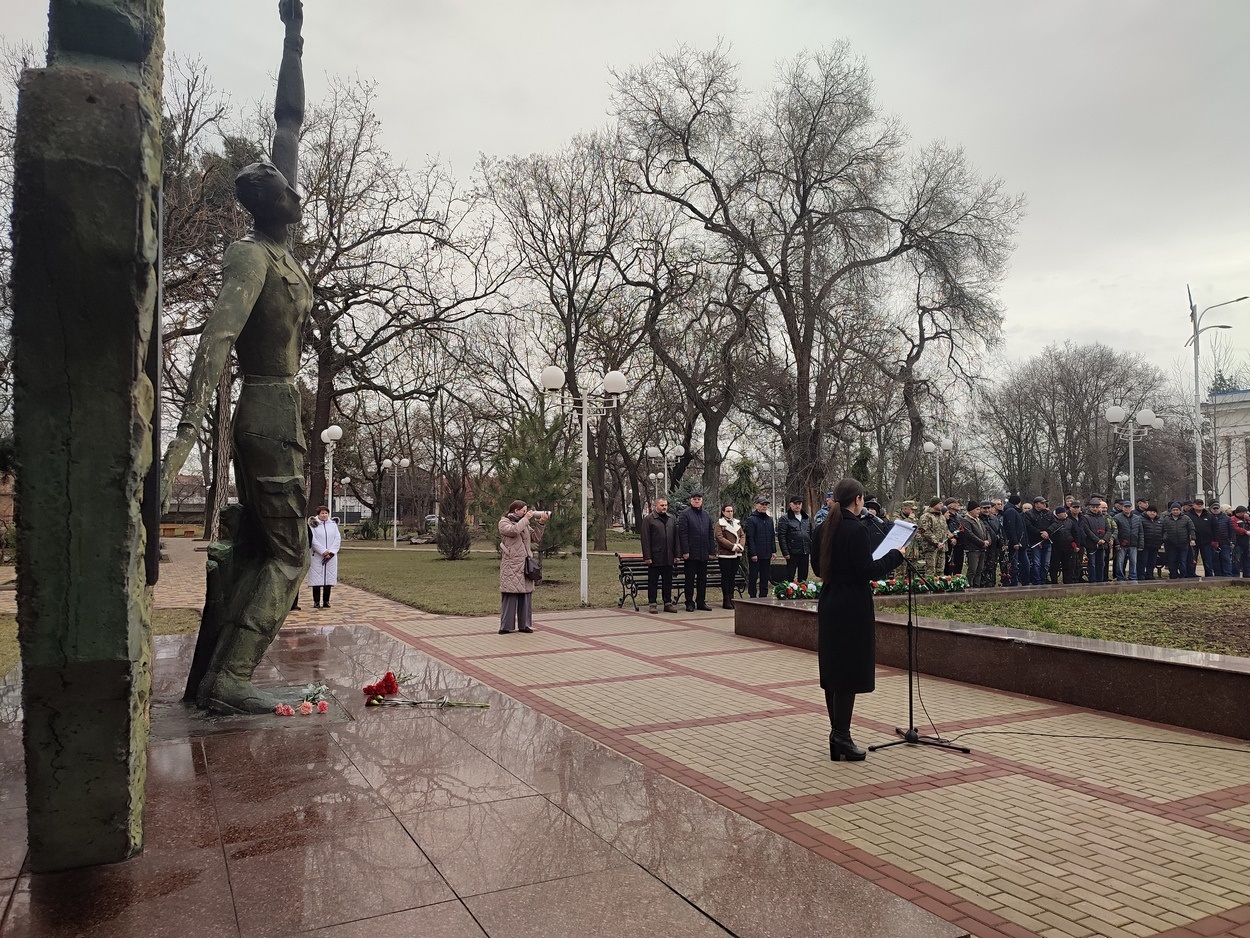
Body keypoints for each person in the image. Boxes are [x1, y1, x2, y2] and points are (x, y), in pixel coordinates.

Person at [159, 0, 314, 713]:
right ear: (269, 204)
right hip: (265, 406)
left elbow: (289, 122)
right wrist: (183, 442)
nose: (295, 185)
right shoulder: (251, 257)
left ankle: (208, 679)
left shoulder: (281, 247)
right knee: (290, 554)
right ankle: (231, 677)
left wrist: (293, 36)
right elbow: (217, 341)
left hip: (282, 407)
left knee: (257, 548)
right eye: (284, 186)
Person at [815, 478, 904, 762]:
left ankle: (837, 734)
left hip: (830, 602)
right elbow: (867, 570)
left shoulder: (821, 529)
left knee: (833, 670)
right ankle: (841, 735)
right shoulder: (856, 530)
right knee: (849, 672)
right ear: (858, 500)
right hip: (852, 605)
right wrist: (895, 556)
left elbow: (818, 567)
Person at [498, 500, 547, 633]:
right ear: (516, 510)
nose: (526, 513)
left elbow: (535, 538)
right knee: (510, 595)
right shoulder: (504, 522)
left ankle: (524, 624)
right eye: (523, 511)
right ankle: (506, 626)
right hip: (511, 565)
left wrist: (541, 523)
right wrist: (525, 519)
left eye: (526, 511)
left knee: (525, 595)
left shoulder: (524, 523)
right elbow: (514, 531)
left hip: (525, 564)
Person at [677, 491, 716, 611]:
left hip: (703, 553)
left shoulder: (706, 515)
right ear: (691, 500)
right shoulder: (685, 514)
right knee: (689, 579)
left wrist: (712, 551)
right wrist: (685, 551)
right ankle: (689, 602)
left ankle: (701, 602)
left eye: (699, 499)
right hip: (691, 554)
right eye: (694, 499)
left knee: (702, 579)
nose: (697, 501)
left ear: (702, 500)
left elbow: (710, 534)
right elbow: (682, 534)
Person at [641, 497, 679, 613]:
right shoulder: (649, 519)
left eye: (666, 505)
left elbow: (676, 538)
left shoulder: (671, 519)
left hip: (668, 556)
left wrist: (677, 554)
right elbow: (645, 539)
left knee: (668, 581)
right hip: (655, 556)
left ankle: (667, 602)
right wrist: (647, 556)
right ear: (656, 506)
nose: (664, 507)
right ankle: (652, 603)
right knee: (653, 581)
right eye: (662, 505)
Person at [307, 506, 341, 608]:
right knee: (317, 580)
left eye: (326, 513)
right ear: (318, 514)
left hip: (331, 556)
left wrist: (331, 552)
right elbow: (313, 540)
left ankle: (326, 601)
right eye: (322, 513)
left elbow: (337, 538)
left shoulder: (333, 525)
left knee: (328, 579)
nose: (324, 515)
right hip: (317, 556)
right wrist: (323, 551)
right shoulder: (314, 525)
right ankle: (316, 601)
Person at [715, 502, 746, 609]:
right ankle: (726, 599)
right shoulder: (720, 523)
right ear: (723, 512)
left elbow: (742, 535)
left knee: (732, 578)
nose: (730, 513)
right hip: (725, 554)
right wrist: (732, 546)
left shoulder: (737, 522)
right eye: (728, 511)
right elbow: (720, 538)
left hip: (736, 554)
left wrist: (740, 546)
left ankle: (732, 598)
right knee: (726, 577)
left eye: (731, 511)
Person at [777, 494, 813, 582]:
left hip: (805, 551)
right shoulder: (785, 519)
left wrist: (811, 548)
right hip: (792, 552)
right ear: (791, 505)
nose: (797, 506)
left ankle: (802, 592)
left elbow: (811, 533)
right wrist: (785, 552)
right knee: (790, 575)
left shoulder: (806, 518)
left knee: (803, 575)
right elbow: (781, 536)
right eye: (795, 503)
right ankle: (788, 592)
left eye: (799, 503)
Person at [744, 496, 776, 597]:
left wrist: (773, 551)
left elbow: (772, 536)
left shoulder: (769, 520)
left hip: (766, 553)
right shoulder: (752, 519)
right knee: (753, 576)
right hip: (756, 554)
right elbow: (750, 538)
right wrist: (753, 553)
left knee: (765, 576)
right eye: (762, 504)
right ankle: (752, 595)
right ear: (757, 505)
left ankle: (764, 595)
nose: (764, 507)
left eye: (766, 505)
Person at [956, 502, 990, 586]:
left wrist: (988, 540)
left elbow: (985, 531)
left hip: (982, 548)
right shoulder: (966, 520)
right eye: (977, 509)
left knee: (979, 570)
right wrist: (982, 543)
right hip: (973, 549)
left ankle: (976, 585)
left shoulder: (979, 520)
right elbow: (970, 534)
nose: (979, 511)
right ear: (971, 510)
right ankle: (969, 585)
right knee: (972, 569)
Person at [1161, 502, 1196, 580]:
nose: (1175, 511)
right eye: (1174, 510)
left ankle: (1183, 575)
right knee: (1172, 561)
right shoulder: (1166, 519)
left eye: (1177, 510)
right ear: (1171, 510)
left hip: (1184, 543)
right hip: (1171, 544)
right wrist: (1164, 538)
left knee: (1183, 561)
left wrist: (1192, 539)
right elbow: (1163, 530)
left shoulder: (1186, 518)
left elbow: (1191, 529)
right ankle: (1173, 576)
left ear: (1180, 510)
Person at [917, 497, 949, 578]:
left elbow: (945, 529)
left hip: (942, 547)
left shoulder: (942, 517)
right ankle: (930, 586)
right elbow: (926, 531)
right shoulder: (926, 516)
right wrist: (936, 542)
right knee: (930, 570)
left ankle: (939, 586)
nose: (941, 505)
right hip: (931, 548)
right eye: (939, 503)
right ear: (934, 504)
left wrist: (947, 537)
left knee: (940, 570)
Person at [1025, 496, 1054, 585]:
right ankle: (1037, 580)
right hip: (1035, 542)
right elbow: (1029, 526)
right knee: (1036, 563)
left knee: (1046, 563)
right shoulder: (1029, 514)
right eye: (1042, 503)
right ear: (1036, 504)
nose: (1044, 504)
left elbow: (1054, 523)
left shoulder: (1049, 513)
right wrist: (1040, 533)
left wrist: (1048, 532)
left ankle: (1043, 579)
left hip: (1047, 541)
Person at [1002, 495, 1029, 586]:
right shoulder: (1011, 511)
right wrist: (1015, 542)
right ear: (1019, 503)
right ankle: (1014, 582)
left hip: (1021, 543)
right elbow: (1011, 528)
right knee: (1017, 564)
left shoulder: (1014, 511)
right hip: (1017, 544)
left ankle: (1023, 581)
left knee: (1023, 564)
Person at [1081, 499, 1109, 583]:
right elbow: (1087, 530)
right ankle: (1092, 580)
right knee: (1092, 564)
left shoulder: (1103, 518)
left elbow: (1108, 530)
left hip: (1102, 544)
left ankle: (1100, 580)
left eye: (1097, 507)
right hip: (1092, 544)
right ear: (1090, 507)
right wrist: (1097, 540)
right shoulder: (1085, 517)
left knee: (1101, 563)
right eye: (1093, 507)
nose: (1095, 509)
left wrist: (1104, 539)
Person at [1190, 498, 1216, 577]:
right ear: (1193, 505)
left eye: (1201, 504)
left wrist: (1214, 539)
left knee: (1207, 560)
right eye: (1197, 504)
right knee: (1193, 559)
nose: (1199, 505)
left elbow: (1215, 528)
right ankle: (1191, 574)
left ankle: (1209, 575)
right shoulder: (1188, 515)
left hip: (1206, 541)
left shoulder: (1209, 515)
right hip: (1193, 541)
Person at [1140, 504, 1164, 580]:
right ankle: (1141, 575)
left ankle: (1149, 575)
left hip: (1155, 545)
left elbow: (1164, 531)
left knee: (1152, 562)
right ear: (1147, 512)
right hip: (1145, 545)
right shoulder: (1141, 519)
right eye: (1150, 511)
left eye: (1154, 512)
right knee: (1143, 561)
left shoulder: (1160, 520)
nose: (1152, 513)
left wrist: (1162, 539)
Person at [1211, 503, 1234, 577]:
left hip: (1225, 541)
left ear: (1220, 509)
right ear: (1211, 509)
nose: (1215, 510)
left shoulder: (1227, 518)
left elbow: (1231, 531)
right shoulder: (1209, 518)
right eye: (1214, 509)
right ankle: (1217, 574)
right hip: (1214, 542)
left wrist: (1233, 541)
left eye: (1217, 508)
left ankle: (1227, 575)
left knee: (1226, 558)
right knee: (1215, 560)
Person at [1231, 506, 1250, 577]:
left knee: (1247, 559)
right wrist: (1245, 531)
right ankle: (1235, 575)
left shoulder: (1246, 519)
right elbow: (1235, 529)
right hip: (1237, 542)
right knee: (1237, 559)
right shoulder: (1233, 519)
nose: (1245, 514)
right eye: (1243, 512)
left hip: (1246, 542)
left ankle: (1247, 575)